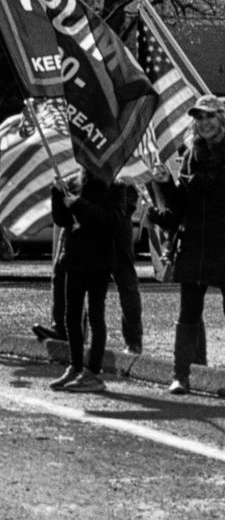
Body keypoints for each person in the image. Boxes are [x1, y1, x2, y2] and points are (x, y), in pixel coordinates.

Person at [151, 97, 225, 393]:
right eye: (199, 118)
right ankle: (180, 376)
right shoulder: (190, 154)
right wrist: (163, 182)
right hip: (196, 243)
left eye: (209, 116)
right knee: (188, 311)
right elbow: (181, 205)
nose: (204, 123)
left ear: (222, 119)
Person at [46, 164, 124, 391]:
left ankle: (94, 372)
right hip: (74, 258)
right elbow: (62, 220)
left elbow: (112, 223)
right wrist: (56, 194)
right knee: (72, 315)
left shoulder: (116, 186)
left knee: (95, 315)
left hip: (99, 260)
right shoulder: (73, 183)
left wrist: (79, 205)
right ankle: (75, 366)